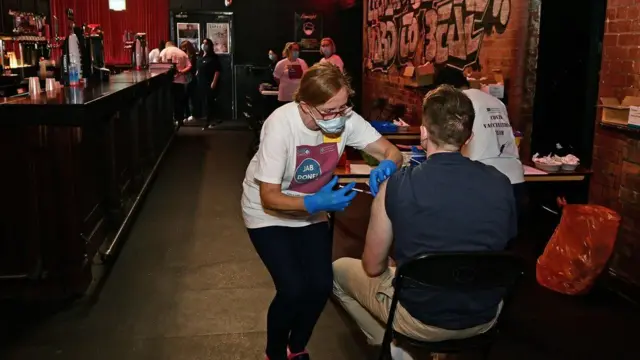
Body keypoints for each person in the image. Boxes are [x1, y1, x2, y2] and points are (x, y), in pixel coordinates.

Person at [332, 85, 517, 360]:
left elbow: (372, 267)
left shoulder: (396, 186)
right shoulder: (502, 185)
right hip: (484, 316)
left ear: (423, 133)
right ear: (469, 137)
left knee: (338, 271)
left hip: (420, 317)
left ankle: (396, 347)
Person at [241, 62, 402, 360]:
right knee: (292, 289)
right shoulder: (281, 125)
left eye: (343, 107)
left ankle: (296, 347)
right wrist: (315, 203)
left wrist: (389, 164)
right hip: (267, 212)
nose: (339, 117)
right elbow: (269, 197)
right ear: (305, 106)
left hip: (311, 207)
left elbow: (392, 151)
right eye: (330, 111)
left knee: (319, 286)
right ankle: (274, 353)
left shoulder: (346, 118)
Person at [433, 66, 526, 215]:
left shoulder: (458, 103)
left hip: (485, 184)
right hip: (516, 181)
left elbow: (451, 143)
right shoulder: (496, 101)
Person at [159, 41, 192, 125]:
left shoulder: (163, 52)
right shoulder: (182, 53)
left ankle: (170, 120)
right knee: (179, 101)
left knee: (169, 101)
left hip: (167, 81)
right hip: (180, 81)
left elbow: (158, 65)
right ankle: (180, 119)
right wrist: (181, 71)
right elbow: (189, 66)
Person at [197, 38, 222, 130]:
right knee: (204, 101)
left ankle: (208, 121)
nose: (204, 45)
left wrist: (214, 82)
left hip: (209, 81)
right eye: (203, 43)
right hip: (201, 82)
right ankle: (209, 118)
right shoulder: (200, 56)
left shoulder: (213, 57)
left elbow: (217, 71)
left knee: (209, 102)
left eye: (206, 43)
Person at [180, 40, 199, 122]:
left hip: (188, 77)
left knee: (188, 96)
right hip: (190, 77)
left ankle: (190, 114)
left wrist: (181, 71)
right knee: (189, 97)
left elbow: (190, 67)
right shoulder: (192, 55)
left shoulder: (190, 56)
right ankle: (190, 114)